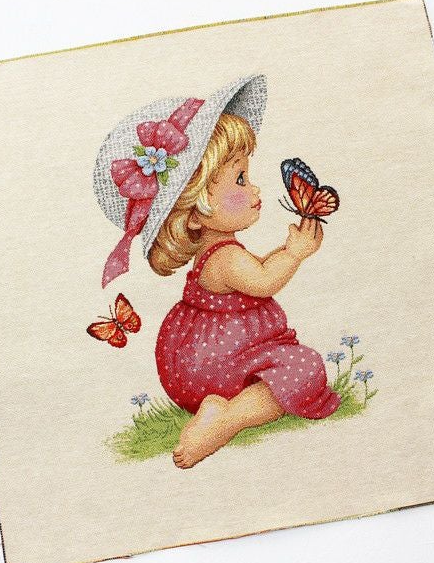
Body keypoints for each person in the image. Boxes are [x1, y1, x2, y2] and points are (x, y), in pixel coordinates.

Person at [93, 74, 340, 470]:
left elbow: (257, 272)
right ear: (195, 212)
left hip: (192, 367)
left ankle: (219, 409)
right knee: (305, 369)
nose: (255, 190)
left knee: (286, 366)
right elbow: (263, 280)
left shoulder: (216, 254)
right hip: (223, 362)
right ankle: (229, 416)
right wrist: (295, 254)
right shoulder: (225, 257)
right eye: (240, 179)